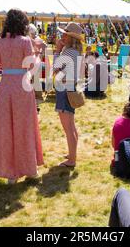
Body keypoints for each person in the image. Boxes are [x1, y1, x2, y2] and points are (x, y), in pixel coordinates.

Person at [0, 9, 43, 184]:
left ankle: (10, 172)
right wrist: (39, 54)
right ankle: (27, 167)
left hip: (5, 87)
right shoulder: (25, 41)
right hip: (23, 86)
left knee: (5, 127)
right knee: (24, 126)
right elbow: (32, 65)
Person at [53, 22, 85, 168]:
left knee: (68, 127)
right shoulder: (75, 51)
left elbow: (55, 69)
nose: (62, 36)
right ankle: (72, 154)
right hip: (70, 87)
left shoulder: (67, 51)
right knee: (71, 125)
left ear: (70, 37)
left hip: (64, 88)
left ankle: (71, 160)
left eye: (65, 34)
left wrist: (56, 51)